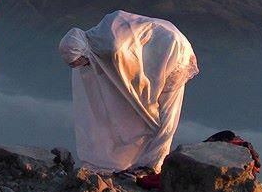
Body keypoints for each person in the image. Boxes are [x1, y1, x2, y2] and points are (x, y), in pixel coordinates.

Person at [58, 10, 198, 175]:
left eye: (84, 62)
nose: (86, 66)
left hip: (171, 52)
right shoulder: (99, 42)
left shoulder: (113, 49)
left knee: (166, 114)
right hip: (161, 50)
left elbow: (132, 80)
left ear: (83, 51)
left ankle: (154, 165)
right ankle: (148, 163)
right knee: (155, 114)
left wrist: (145, 106)